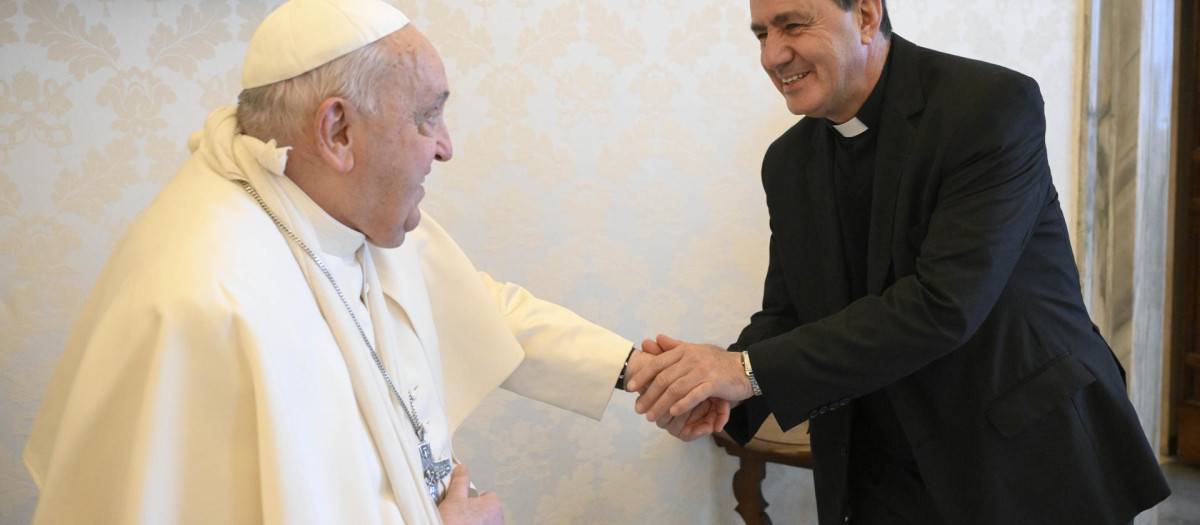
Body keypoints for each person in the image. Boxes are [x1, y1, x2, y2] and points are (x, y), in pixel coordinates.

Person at [22, 0, 686, 523]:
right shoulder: (208, 297)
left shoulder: (323, 200)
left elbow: (479, 305)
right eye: (428, 118)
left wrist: (639, 370)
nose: (446, 148)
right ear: (338, 131)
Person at [627, 0, 1172, 523]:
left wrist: (744, 373)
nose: (772, 55)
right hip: (879, 468)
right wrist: (714, 390)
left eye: (792, 26)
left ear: (865, 15)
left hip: (1024, 453)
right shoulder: (788, 162)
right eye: (762, 34)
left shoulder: (989, 105)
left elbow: (943, 305)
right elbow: (790, 313)